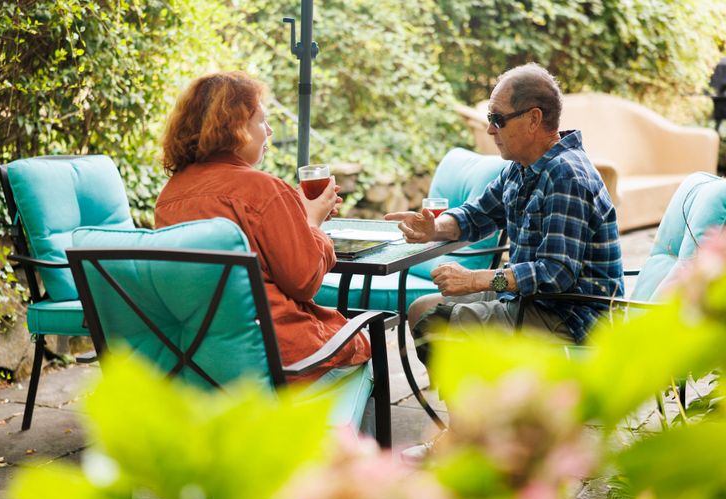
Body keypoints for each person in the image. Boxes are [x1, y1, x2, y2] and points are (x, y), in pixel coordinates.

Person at [386, 63, 624, 460]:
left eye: (497, 118)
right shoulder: (523, 167)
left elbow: (556, 273)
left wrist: (477, 280)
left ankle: (473, 441)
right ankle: (477, 433)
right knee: (422, 309)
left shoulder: (566, 175)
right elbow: (477, 214)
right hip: (537, 303)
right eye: (489, 118)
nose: (490, 128)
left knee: (442, 322)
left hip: (574, 314)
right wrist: (434, 228)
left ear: (533, 119)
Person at [155, 71, 369, 382]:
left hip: (200, 363)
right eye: (261, 121)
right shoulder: (263, 190)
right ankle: (335, 430)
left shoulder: (170, 196)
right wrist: (311, 221)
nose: (268, 131)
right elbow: (305, 281)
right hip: (277, 360)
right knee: (362, 344)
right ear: (234, 127)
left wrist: (294, 210)